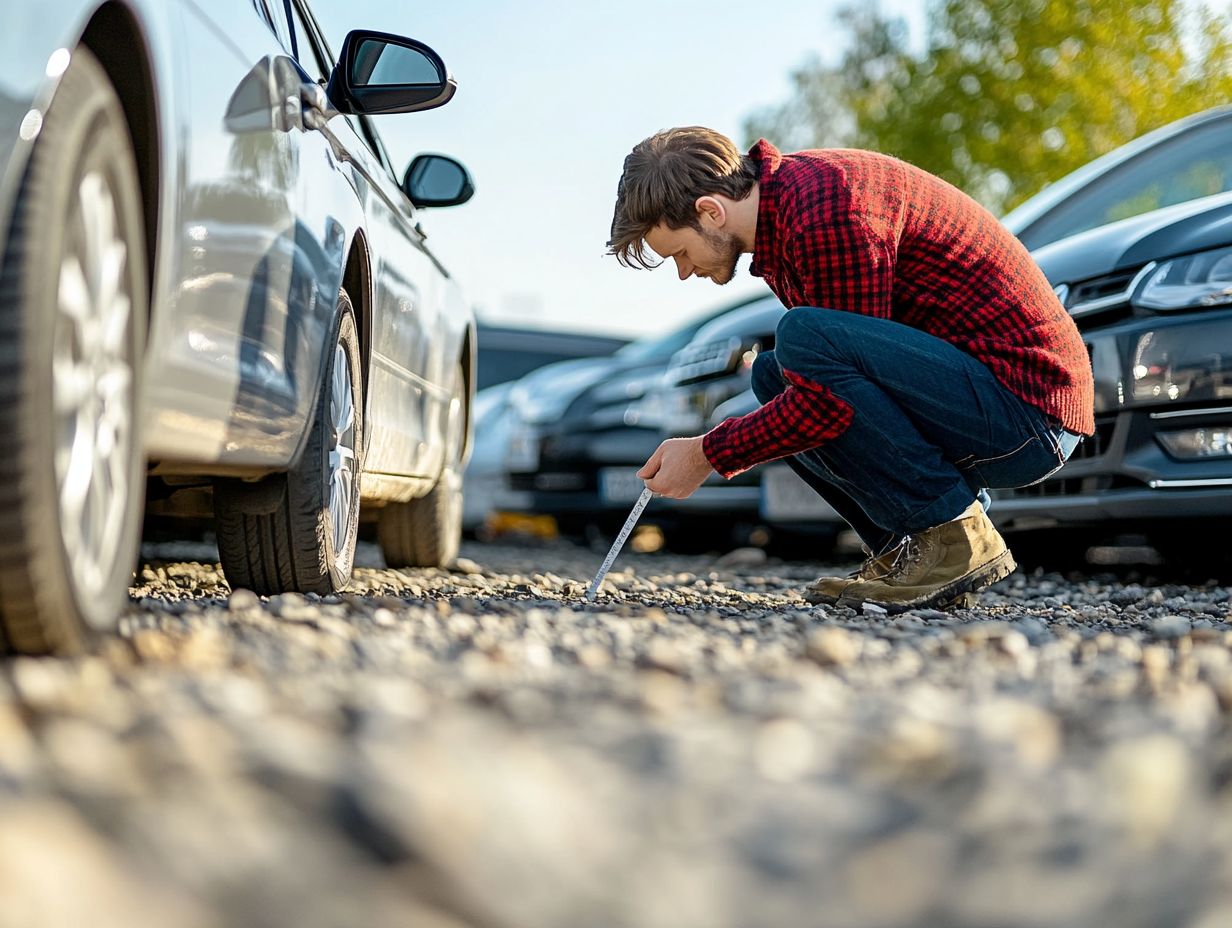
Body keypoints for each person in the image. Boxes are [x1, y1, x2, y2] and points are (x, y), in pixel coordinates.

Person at [606, 127, 1092, 611]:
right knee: (773, 376)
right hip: (989, 402)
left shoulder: (827, 210)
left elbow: (830, 404)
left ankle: (953, 539)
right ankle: (909, 552)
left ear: (711, 211)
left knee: (801, 340)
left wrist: (709, 453)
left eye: (680, 254)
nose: (684, 272)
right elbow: (838, 391)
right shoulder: (787, 214)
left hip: (1028, 414)